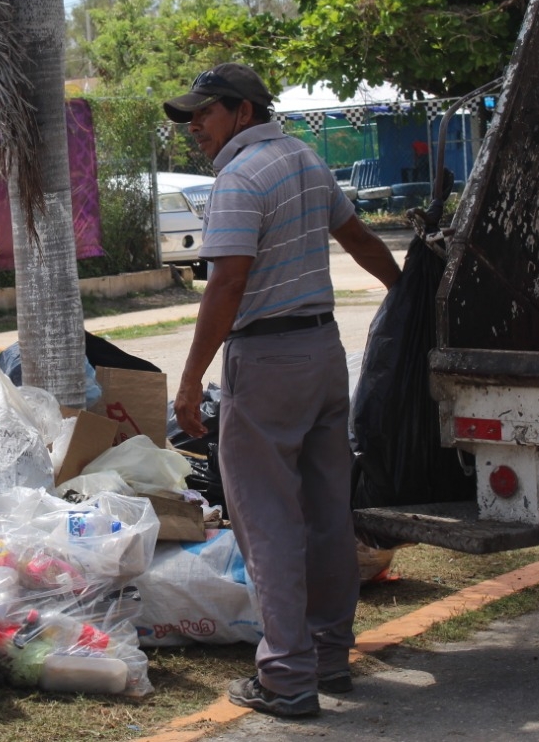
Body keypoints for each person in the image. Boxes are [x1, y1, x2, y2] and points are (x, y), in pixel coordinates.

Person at [165, 64, 401, 719]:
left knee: (265, 518)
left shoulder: (239, 178)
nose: (195, 129)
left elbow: (227, 285)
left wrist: (190, 379)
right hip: (323, 354)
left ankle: (288, 677)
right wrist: (406, 292)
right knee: (327, 511)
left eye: (203, 115)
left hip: (265, 360)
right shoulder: (305, 159)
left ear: (241, 111)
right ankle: (329, 654)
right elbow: (356, 238)